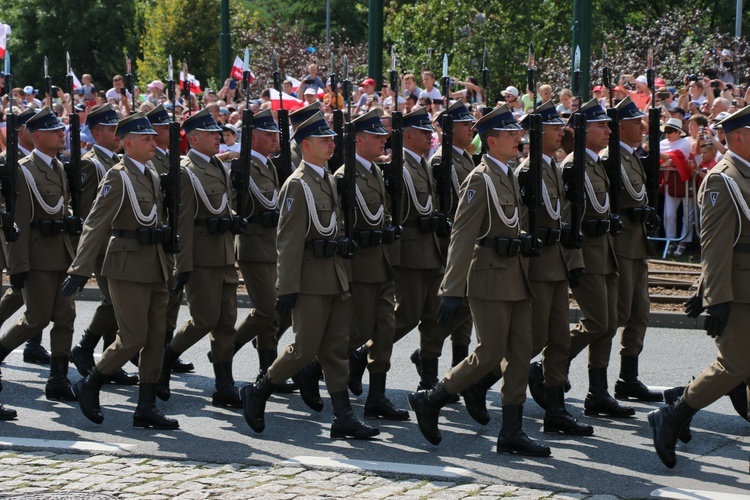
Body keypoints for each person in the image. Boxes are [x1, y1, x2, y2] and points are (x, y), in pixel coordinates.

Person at [409, 105, 550, 456]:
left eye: (518, 132)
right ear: (492, 140)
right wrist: (452, 290)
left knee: (519, 353)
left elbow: (507, 223)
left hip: (515, 276)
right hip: (487, 277)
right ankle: (432, 398)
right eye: (511, 133)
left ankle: (512, 431)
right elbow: (462, 235)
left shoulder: (507, 174)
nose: (519, 137)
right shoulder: (480, 178)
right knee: (490, 353)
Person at [240, 111, 379, 440]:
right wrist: (286, 289)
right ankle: (258, 392)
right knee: (304, 349)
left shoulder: (326, 178)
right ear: (305, 145)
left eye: (332, 139)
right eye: (324, 140)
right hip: (310, 279)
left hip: (334, 275)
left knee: (334, 349)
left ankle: (343, 416)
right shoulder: (297, 184)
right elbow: (287, 241)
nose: (332, 144)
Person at [649, 106, 750, 469]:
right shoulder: (724, 179)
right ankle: (672, 415)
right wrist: (715, 297)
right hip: (738, 290)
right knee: (735, 365)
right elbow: (716, 244)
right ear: (737, 137)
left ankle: (678, 405)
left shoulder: (746, 175)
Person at [63, 112, 178, 430]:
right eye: (146, 139)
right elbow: (96, 223)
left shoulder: (151, 173)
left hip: (154, 264)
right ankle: (90, 382)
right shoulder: (118, 175)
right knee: (132, 338)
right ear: (128, 143)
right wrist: (80, 268)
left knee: (156, 339)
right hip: (126, 265)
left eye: (154, 138)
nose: (153, 142)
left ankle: (146, 406)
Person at [156, 108, 241, 408]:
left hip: (223, 254)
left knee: (226, 323)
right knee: (204, 320)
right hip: (201, 258)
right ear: (193, 139)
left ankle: (224, 384)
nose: (218, 136)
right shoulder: (185, 170)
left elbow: (222, 205)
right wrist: (183, 265)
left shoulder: (217, 165)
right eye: (210, 133)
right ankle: (165, 359)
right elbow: (183, 222)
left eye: (217, 132)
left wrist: (232, 221)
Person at [519, 101, 594, 436]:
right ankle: (477, 382)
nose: (561, 131)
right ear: (538, 132)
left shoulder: (552, 167)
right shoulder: (528, 170)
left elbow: (562, 218)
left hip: (556, 264)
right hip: (536, 266)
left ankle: (556, 410)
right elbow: (521, 221)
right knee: (532, 340)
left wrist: (572, 260)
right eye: (554, 127)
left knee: (560, 339)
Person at [562, 99, 634, 418]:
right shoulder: (573, 165)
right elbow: (568, 218)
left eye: (607, 125)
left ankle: (598, 392)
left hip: (605, 253)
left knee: (609, 323)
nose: (608, 130)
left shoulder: (595, 164)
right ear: (583, 130)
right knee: (597, 321)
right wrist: (573, 260)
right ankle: (553, 362)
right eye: (601, 125)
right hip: (587, 256)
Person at [333, 109, 408, 420]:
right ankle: (314, 370)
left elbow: (384, 211)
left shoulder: (375, 171)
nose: (383, 140)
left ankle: (377, 395)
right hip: (360, 266)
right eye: (377, 136)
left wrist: (388, 226)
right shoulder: (343, 176)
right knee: (357, 331)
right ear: (359, 140)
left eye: (383, 135)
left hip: (381, 262)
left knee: (384, 330)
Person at [0, 107, 77, 402]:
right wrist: (17, 265)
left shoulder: (58, 166)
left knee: (66, 316)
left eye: (62, 130)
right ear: (38, 135)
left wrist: (69, 217)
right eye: (55, 131)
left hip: (61, 252)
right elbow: (18, 222)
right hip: (37, 256)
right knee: (36, 318)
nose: (62, 135)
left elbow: (61, 204)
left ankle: (58, 378)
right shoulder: (23, 170)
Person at [402, 101, 476, 398]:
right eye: (464, 124)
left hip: (463, 244)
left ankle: (458, 370)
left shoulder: (464, 159)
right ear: (450, 130)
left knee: (464, 316)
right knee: (443, 310)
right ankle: (429, 362)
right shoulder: (440, 161)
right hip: (446, 245)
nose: (471, 128)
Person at [68, 104, 139, 386]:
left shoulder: (118, 161)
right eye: (111, 129)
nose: (116, 133)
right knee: (114, 301)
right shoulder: (91, 163)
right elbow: (89, 214)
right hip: (103, 246)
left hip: (118, 244)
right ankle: (84, 348)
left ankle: (111, 359)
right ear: (96, 132)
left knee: (118, 303)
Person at [231, 109, 294, 392]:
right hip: (254, 245)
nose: (274, 139)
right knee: (267, 310)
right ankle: (225, 349)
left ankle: (267, 371)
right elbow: (237, 206)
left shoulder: (270, 165)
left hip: (273, 245)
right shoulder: (242, 166)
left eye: (276, 134)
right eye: (268, 134)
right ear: (252, 137)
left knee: (276, 314)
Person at [604, 97, 662, 402]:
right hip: (620, 245)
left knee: (640, 313)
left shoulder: (632, 157)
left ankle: (628, 377)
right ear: (620, 126)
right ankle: (552, 367)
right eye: (635, 122)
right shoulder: (610, 158)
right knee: (615, 314)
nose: (641, 127)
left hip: (637, 244)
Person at [388, 107, 446, 391]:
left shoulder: (423, 164)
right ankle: (362, 355)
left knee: (433, 315)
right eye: (424, 132)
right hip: (410, 252)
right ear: (407, 136)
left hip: (431, 249)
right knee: (407, 316)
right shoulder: (398, 166)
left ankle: (429, 373)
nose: (429, 137)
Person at [144, 105, 193, 374]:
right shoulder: (152, 161)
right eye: (164, 128)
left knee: (173, 299)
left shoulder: (173, 157)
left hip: (173, 236)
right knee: (159, 301)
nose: (172, 132)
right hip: (158, 236)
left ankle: (164, 352)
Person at [0, 108, 51, 365]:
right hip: (12, 238)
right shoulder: (7, 161)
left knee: (29, 293)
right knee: (22, 291)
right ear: (21, 133)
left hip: (35, 238)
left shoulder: (39, 161)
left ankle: (33, 344)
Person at [659, 117, 694, 256]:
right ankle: (671, 241)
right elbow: (664, 161)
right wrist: (666, 160)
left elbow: (676, 157)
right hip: (670, 182)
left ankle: (684, 242)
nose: (668, 133)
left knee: (688, 215)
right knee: (669, 214)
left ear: (679, 132)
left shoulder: (685, 143)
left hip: (685, 182)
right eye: (666, 130)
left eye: (671, 131)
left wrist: (662, 157)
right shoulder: (661, 143)